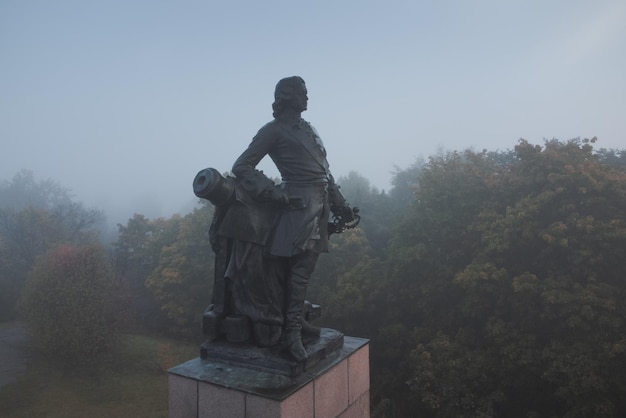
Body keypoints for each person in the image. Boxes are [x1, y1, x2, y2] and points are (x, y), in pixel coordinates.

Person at [231, 76, 355, 361]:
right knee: (295, 274)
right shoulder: (272, 131)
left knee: (303, 273)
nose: (308, 98)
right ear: (289, 97)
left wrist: (341, 204)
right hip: (296, 209)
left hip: (318, 207)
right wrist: (274, 193)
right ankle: (292, 334)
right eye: (303, 93)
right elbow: (242, 166)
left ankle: (297, 321)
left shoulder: (309, 129)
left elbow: (324, 172)